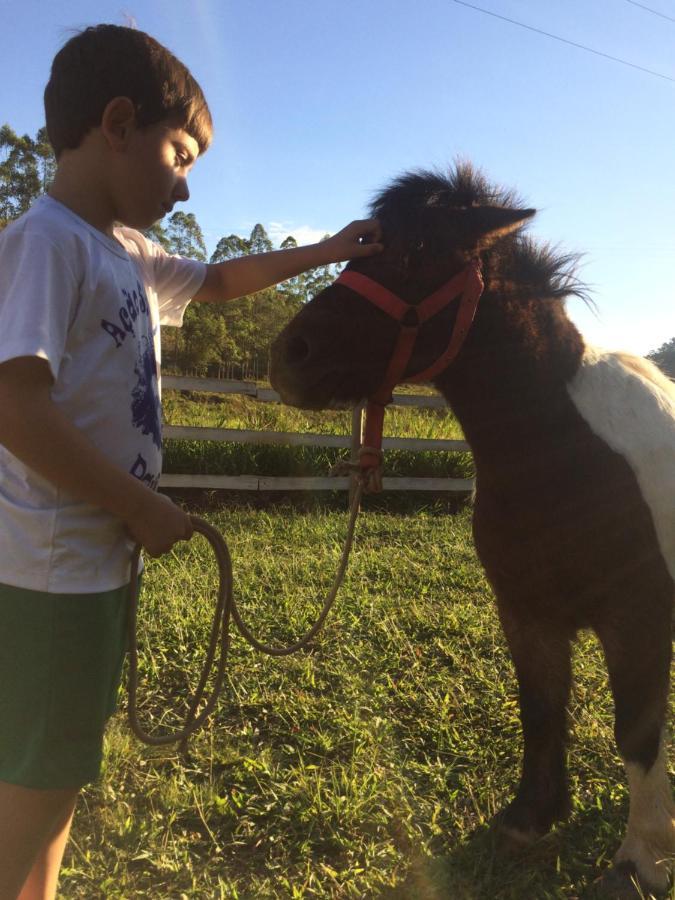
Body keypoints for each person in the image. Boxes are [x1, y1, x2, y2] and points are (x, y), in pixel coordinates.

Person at [0, 23, 382, 899]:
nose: (185, 179)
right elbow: (14, 405)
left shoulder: (123, 253)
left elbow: (218, 281)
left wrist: (327, 251)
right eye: (182, 153)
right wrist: (138, 508)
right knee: (28, 790)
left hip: (89, 568)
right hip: (47, 572)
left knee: (56, 778)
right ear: (119, 123)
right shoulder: (46, 243)